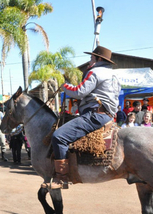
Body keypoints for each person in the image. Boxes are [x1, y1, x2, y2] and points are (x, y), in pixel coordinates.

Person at [51, 46, 120, 189]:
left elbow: (78, 91)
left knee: (59, 136)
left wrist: (64, 85)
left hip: (95, 115)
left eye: (92, 57)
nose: (89, 60)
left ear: (99, 59)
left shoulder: (94, 72)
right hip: (107, 115)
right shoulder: (113, 75)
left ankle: (61, 177)